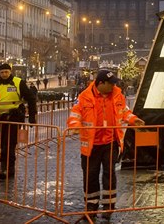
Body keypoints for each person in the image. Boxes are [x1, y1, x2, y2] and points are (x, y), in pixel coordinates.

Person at [67, 69, 145, 219]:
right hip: (91, 145)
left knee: (109, 174)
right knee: (90, 175)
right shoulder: (84, 97)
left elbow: (124, 112)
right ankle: (91, 206)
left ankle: (109, 207)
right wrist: (75, 126)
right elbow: (75, 114)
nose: (113, 86)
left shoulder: (117, 95)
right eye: (110, 84)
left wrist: (133, 120)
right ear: (100, 83)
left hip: (110, 142)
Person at [0, 63, 38, 179]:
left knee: (10, 143)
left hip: (14, 117)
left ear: (10, 71)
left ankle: (8, 167)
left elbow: (31, 98)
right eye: (2, 72)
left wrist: (32, 116)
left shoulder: (18, 82)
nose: (4, 74)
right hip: (0, 118)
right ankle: (5, 166)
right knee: (2, 142)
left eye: (6, 72)